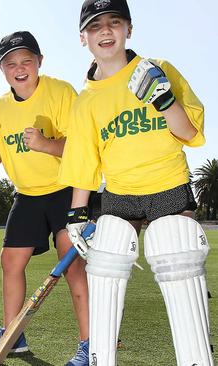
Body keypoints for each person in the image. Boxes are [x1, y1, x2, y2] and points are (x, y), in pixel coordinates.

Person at [60, 1, 210, 365]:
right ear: (83, 38)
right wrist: (78, 214)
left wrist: (164, 99)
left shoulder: (158, 69)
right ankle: (100, 358)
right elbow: (84, 162)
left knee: (178, 255)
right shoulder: (86, 101)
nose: (106, 31)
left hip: (168, 186)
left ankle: (197, 358)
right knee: (105, 270)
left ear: (129, 28)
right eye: (96, 26)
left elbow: (189, 131)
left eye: (114, 22)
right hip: (120, 195)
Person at [0, 31, 89, 365]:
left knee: (73, 266)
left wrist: (46, 145)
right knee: (10, 260)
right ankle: (13, 334)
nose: (20, 68)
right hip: (27, 194)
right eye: (11, 63)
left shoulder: (60, 92)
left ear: (40, 62)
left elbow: (80, 146)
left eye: (27, 61)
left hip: (66, 188)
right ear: (1, 68)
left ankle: (88, 344)